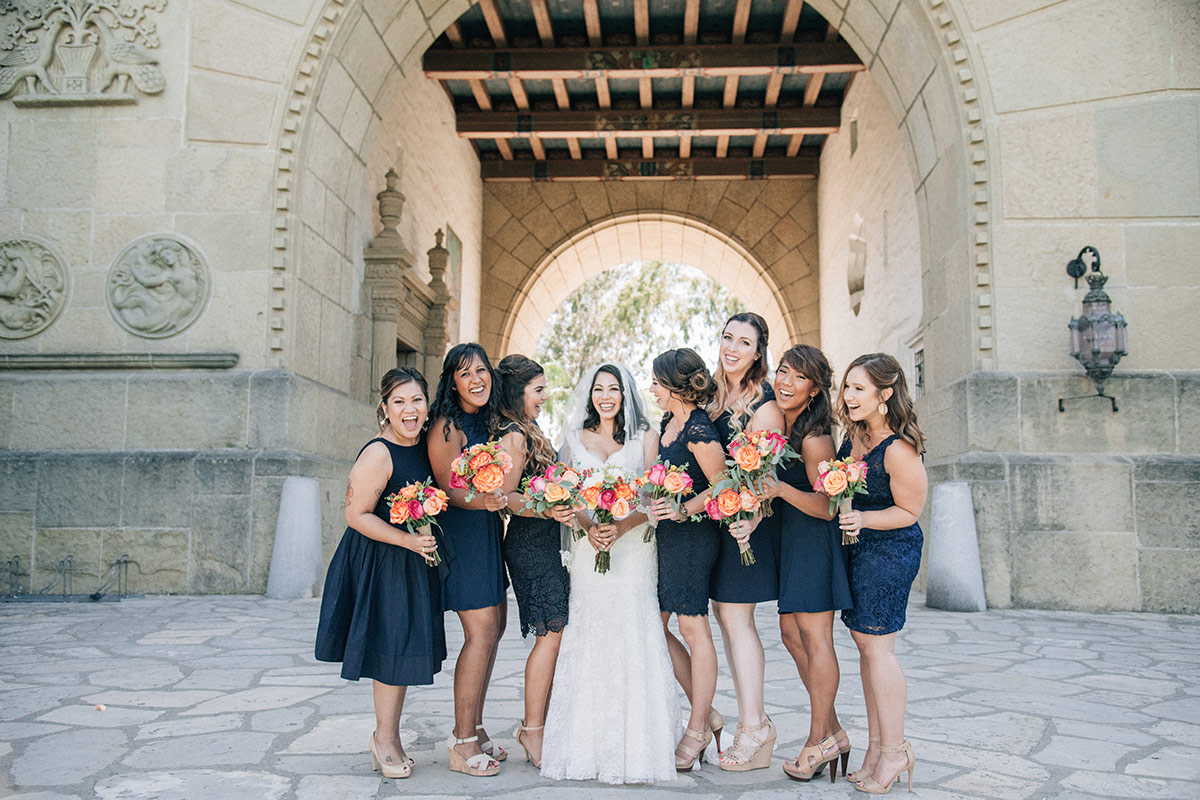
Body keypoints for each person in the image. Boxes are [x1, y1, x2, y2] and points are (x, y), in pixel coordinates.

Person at [541, 363, 682, 784]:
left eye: (614, 389)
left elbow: (656, 499)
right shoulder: (570, 441)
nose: (606, 396)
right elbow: (562, 494)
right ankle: (585, 746)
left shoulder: (647, 440)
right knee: (591, 634)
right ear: (589, 396)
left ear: (625, 395)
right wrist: (588, 526)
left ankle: (641, 749)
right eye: (599, 389)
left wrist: (620, 526)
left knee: (634, 633)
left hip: (635, 552)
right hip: (589, 552)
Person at [314, 366, 445, 780]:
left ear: (427, 404)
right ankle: (384, 739)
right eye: (400, 402)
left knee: (402, 651)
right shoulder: (378, 453)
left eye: (417, 400)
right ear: (385, 408)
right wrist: (408, 541)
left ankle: (388, 735)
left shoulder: (426, 445)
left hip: (411, 560)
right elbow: (354, 515)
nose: (410, 410)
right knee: (390, 650)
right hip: (379, 561)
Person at [834, 353, 927, 795]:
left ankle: (896, 751)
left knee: (879, 648)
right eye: (847, 387)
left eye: (858, 388)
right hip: (858, 550)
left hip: (889, 550)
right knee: (866, 648)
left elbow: (911, 511)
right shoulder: (854, 441)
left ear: (884, 395)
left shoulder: (898, 447)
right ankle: (877, 747)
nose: (848, 396)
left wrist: (865, 521)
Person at [766, 345, 853, 781]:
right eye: (783, 371)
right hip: (791, 542)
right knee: (790, 633)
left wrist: (779, 490)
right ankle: (833, 731)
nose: (786, 382)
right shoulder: (783, 424)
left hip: (814, 541)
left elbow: (827, 506)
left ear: (814, 388)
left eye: (798, 377)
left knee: (816, 638)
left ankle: (818, 737)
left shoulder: (815, 437)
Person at [704, 311, 785, 771]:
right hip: (717, 522)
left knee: (738, 621)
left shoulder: (765, 405)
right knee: (725, 618)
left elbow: (765, 474)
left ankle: (755, 727)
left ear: (758, 352)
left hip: (746, 526)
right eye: (727, 338)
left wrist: (749, 518)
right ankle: (751, 722)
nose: (732, 348)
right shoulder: (715, 396)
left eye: (744, 342)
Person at [427, 343, 510, 777]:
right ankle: (461, 742)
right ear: (451, 381)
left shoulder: (486, 422)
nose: (476, 379)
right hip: (461, 536)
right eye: (465, 373)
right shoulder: (446, 425)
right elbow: (446, 489)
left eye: (482, 370)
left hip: (487, 534)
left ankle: (475, 727)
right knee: (480, 632)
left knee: (496, 626)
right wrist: (484, 501)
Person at [494, 355, 576, 767]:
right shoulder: (512, 434)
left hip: (548, 542)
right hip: (529, 545)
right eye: (538, 389)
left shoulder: (529, 428)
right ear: (518, 390)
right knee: (550, 634)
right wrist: (546, 508)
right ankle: (532, 729)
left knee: (556, 632)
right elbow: (504, 499)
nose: (545, 397)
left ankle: (542, 722)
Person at [647, 349, 726, 771]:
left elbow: (722, 481)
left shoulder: (698, 429)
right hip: (667, 539)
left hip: (694, 538)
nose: (653, 389)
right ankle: (708, 712)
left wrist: (684, 509)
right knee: (655, 626)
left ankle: (696, 729)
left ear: (675, 386)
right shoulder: (668, 423)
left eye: (657, 382)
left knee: (693, 627)